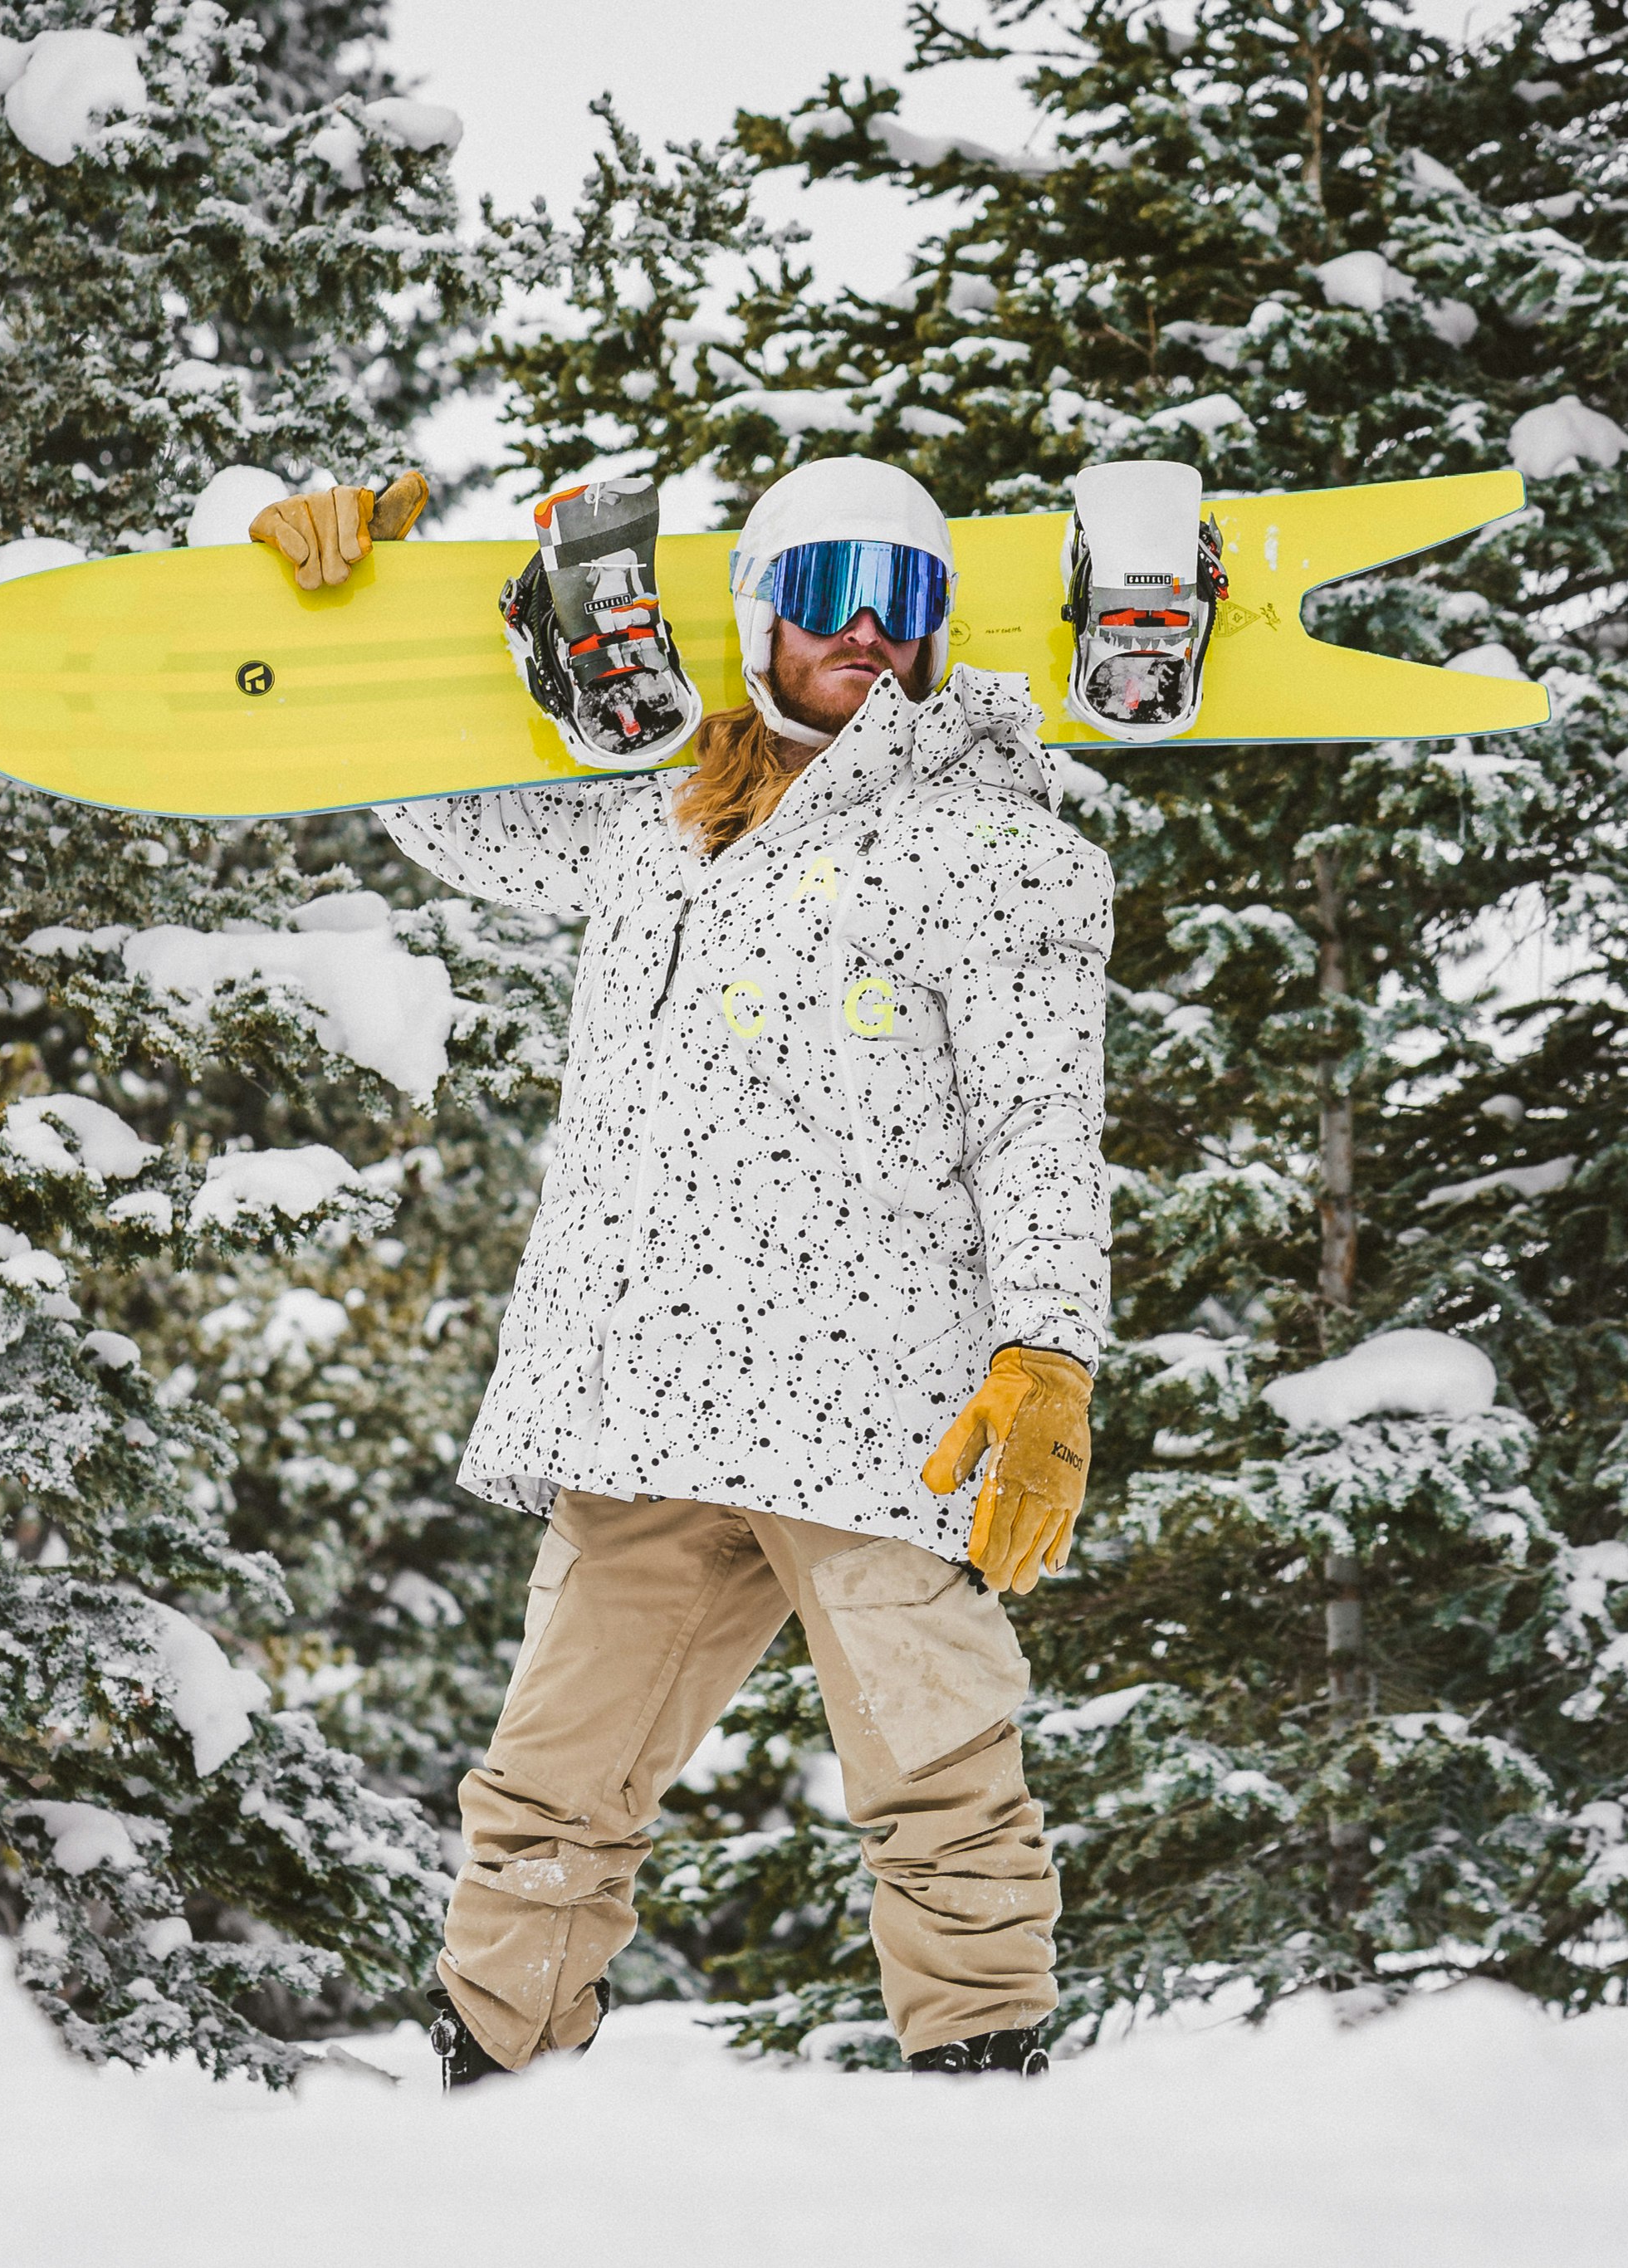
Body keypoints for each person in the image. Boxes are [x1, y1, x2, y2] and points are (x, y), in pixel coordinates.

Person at [257, 457, 1111, 2084]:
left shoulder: (987, 842)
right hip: (649, 1388)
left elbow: (1036, 1124)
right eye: (825, 592)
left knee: (939, 1774)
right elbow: (450, 820)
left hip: (874, 1396)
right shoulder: (651, 818)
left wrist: (1047, 1351)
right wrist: (363, 599)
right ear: (755, 617)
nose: (865, 629)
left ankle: (985, 2096)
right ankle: (489, 2081)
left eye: (905, 597)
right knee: (547, 1788)